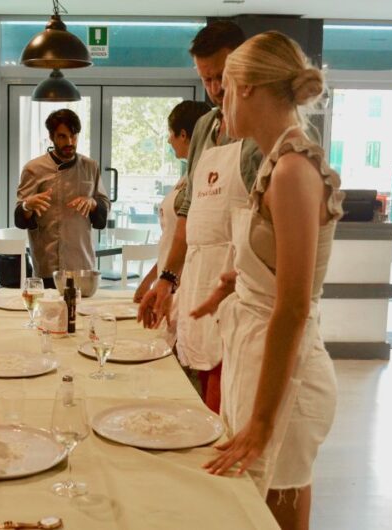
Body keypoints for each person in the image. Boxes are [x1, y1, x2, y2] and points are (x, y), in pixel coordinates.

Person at [191, 31, 341, 530]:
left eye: (226, 86)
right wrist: (231, 283)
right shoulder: (276, 160)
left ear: (249, 87)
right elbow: (275, 263)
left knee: (272, 510)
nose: (220, 98)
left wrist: (261, 421)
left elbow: (293, 305)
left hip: (285, 378)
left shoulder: (294, 170)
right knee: (253, 505)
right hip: (257, 358)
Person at [137, 21, 263, 413]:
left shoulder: (260, 136)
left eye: (221, 76)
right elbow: (188, 214)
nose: (215, 89)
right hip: (196, 282)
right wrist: (166, 280)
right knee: (193, 403)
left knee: (225, 409)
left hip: (237, 294)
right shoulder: (207, 125)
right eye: (205, 79)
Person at [14, 109, 110, 287]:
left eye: (73, 136)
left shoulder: (90, 167)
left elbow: (103, 210)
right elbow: (20, 219)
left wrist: (93, 203)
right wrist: (28, 206)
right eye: (62, 137)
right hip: (48, 261)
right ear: (51, 137)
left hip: (82, 261)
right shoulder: (33, 169)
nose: (69, 142)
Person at [133, 100, 211, 304]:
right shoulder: (188, 175)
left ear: (183, 135)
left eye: (170, 133)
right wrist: (151, 279)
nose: (168, 140)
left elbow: (185, 239)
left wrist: (167, 280)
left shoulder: (204, 176)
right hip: (169, 282)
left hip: (183, 287)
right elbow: (171, 240)